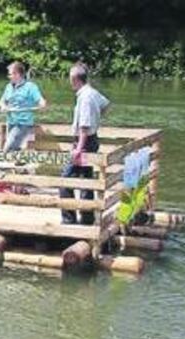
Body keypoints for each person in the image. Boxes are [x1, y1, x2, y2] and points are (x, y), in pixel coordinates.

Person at [60, 62, 110, 225]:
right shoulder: (92, 92)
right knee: (85, 178)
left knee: (65, 179)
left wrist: (78, 149)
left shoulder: (86, 97)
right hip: (92, 139)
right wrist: (98, 117)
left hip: (85, 141)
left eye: (69, 78)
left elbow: (84, 126)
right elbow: (105, 105)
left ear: (75, 79)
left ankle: (69, 219)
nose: (69, 81)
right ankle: (87, 218)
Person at [0, 61, 47, 151]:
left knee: (7, 148)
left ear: (17, 74)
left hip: (23, 124)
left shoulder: (31, 87)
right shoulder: (8, 87)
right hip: (10, 122)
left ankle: (4, 163)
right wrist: (3, 106)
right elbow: (1, 101)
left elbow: (40, 100)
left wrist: (42, 104)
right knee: (15, 148)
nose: (9, 77)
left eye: (10, 74)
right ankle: (20, 159)